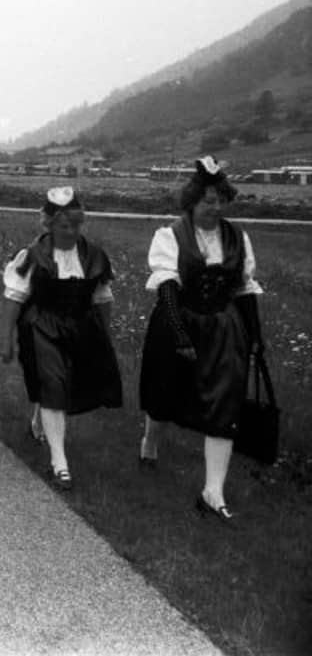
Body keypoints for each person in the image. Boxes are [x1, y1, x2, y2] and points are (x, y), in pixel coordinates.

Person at [137, 157, 263, 523]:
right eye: (209, 201)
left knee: (224, 405)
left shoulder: (237, 238)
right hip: (179, 320)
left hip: (223, 328)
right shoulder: (170, 235)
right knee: (164, 396)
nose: (215, 208)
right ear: (192, 201)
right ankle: (150, 442)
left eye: (221, 200)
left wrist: (255, 337)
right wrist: (179, 334)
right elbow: (168, 288)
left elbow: (244, 287)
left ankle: (213, 491)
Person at [0, 186, 122, 491]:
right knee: (53, 381)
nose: (71, 231)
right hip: (42, 325)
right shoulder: (32, 256)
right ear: (49, 224)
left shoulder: (93, 255)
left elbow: (102, 298)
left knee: (65, 383)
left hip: (80, 326)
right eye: (64, 226)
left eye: (76, 225)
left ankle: (39, 422)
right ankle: (59, 461)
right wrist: (7, 339)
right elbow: (15, 297)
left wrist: (105, 335)